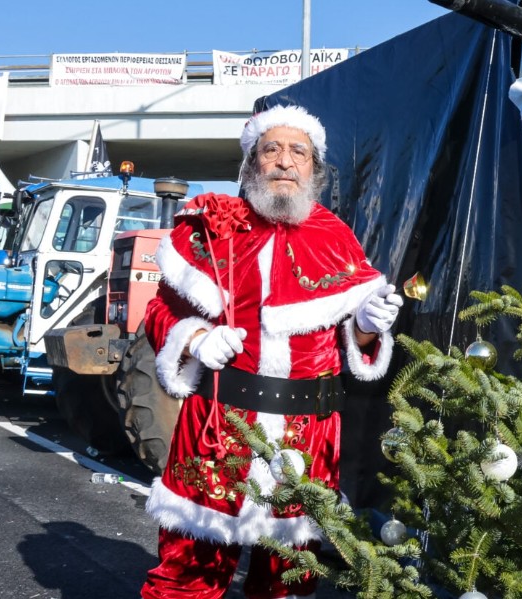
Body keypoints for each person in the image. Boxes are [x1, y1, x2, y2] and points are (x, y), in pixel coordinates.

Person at [140, 104, 403, 599]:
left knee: (288, 582)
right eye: (272, 149)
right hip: (218, 430)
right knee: (187, 577)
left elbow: (355, 338)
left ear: (314, 169)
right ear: (251, 165)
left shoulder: (337, 238)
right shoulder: (213, 231)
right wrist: (196, 338)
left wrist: (366, 327)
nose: (285, 161)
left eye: (298, 152)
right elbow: (158, 315)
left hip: (307, 440)